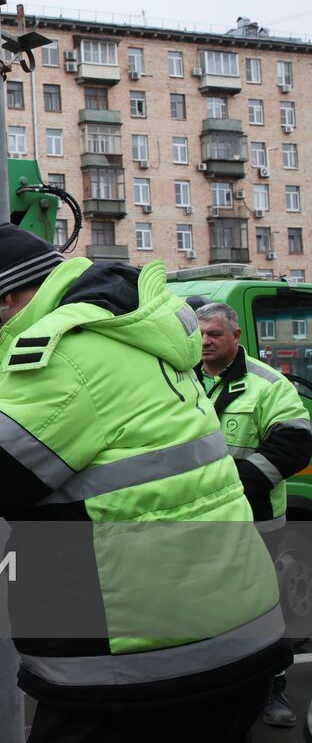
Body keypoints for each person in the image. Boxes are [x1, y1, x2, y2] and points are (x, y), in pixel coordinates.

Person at [0, 223, 290, 743]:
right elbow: (15, 381)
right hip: (228, 641)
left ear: (12, 297)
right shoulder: (122, 325)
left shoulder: (67, 354)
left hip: (145, 667)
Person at [196, 300, 312, 728]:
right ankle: (214, 690)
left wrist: (229, 486)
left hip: (254, 523)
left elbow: (295, 444)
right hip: (195, 524)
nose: (205, 343)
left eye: (215, 335)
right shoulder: (182, 380)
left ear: (236, 336)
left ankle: (272, 693)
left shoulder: (268, 385)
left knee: (261, 610)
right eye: (201, 335)